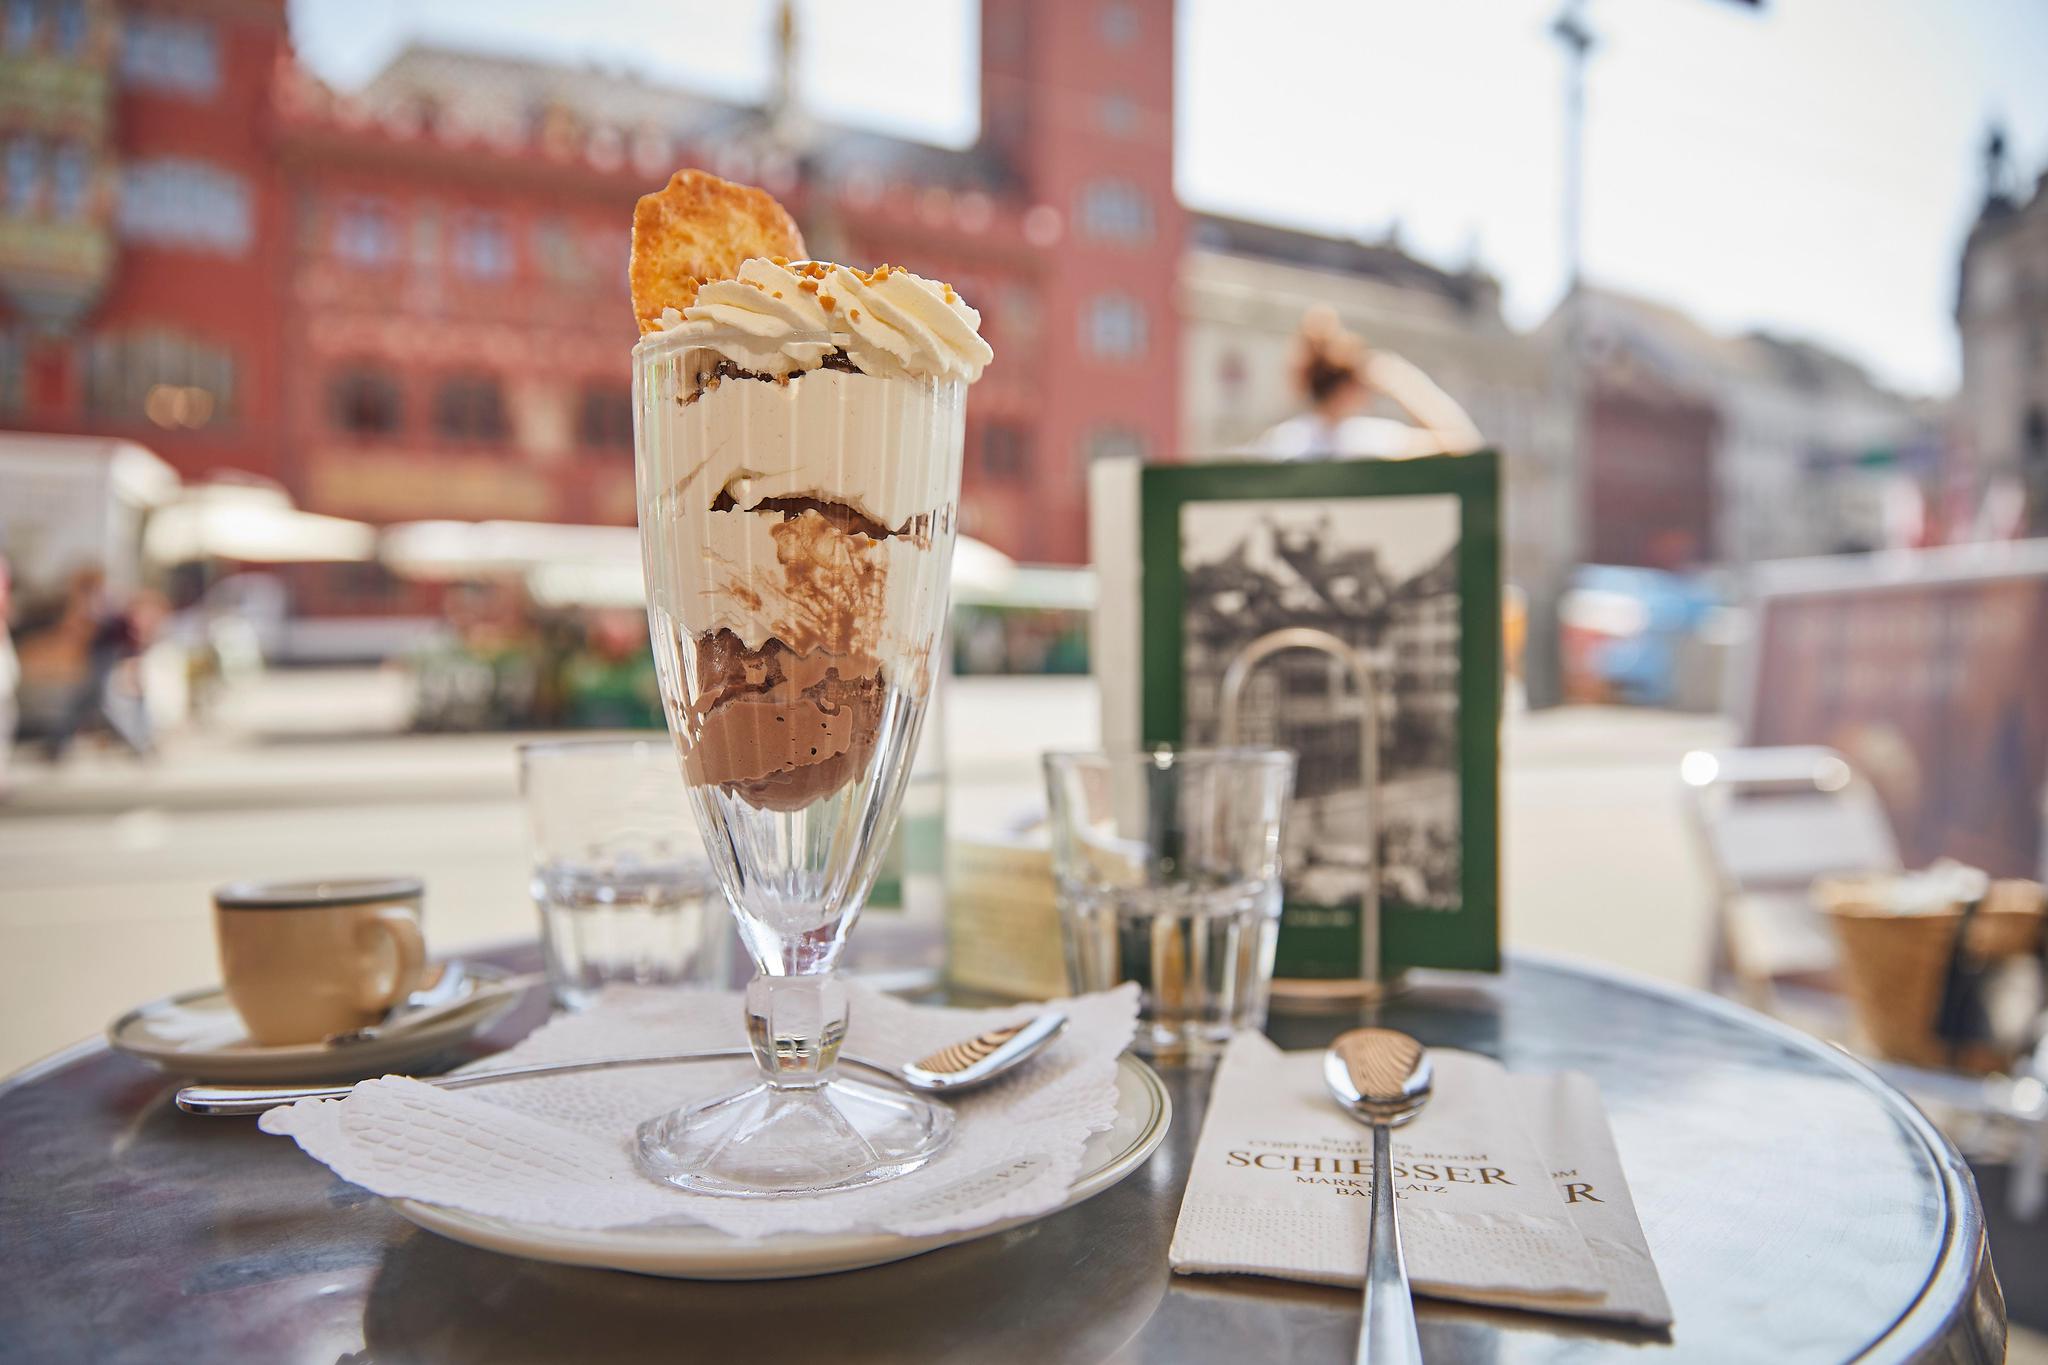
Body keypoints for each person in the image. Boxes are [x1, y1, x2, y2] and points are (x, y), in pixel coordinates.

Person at [1256, 307, 1483, 461]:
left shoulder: (1281, 444)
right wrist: (1401, 379)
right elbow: (1466, 444)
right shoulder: (1372, 443)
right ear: (1354, 386)